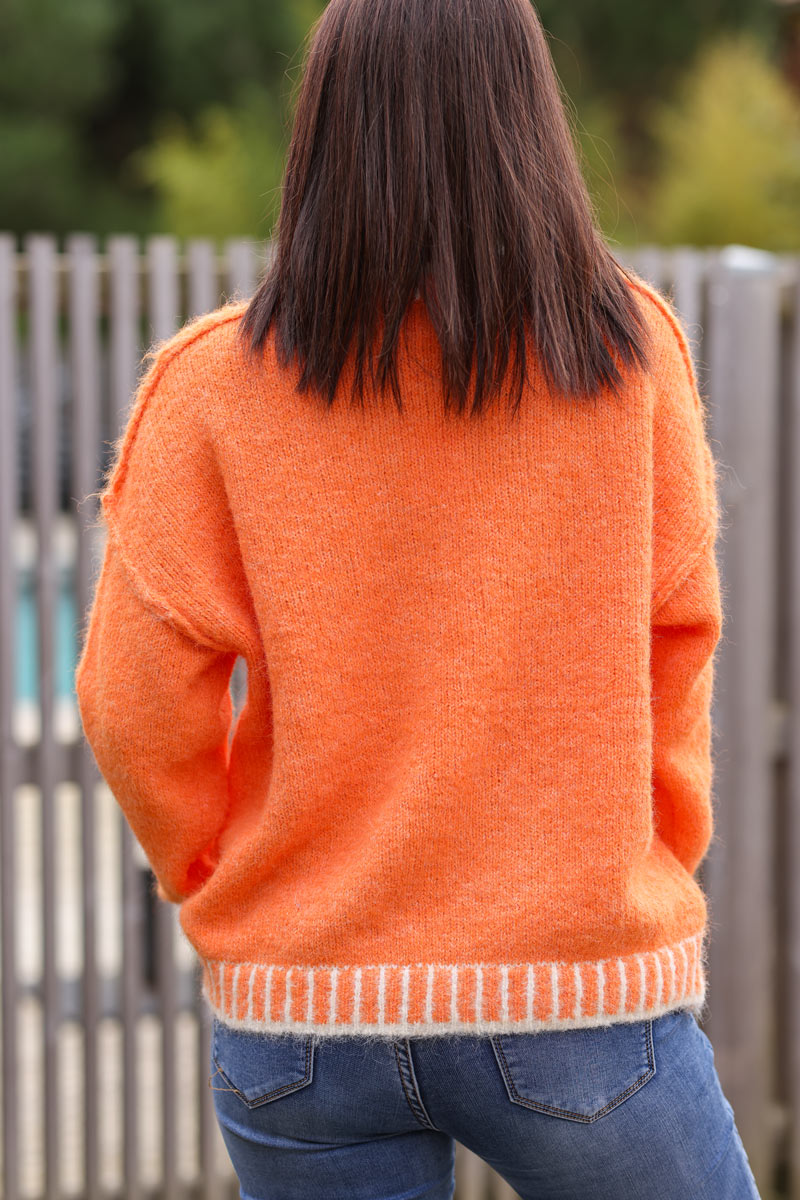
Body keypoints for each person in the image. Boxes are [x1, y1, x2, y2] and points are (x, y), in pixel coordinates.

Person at [74, 0, 762, 1196]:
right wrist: (634, 856)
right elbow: (679, 640)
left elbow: (133, 705)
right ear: (527, 118)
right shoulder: (628, 356)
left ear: (322, 126)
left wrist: (218, 874)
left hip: (300, 1016)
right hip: (583, 995)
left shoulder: (209, 389)